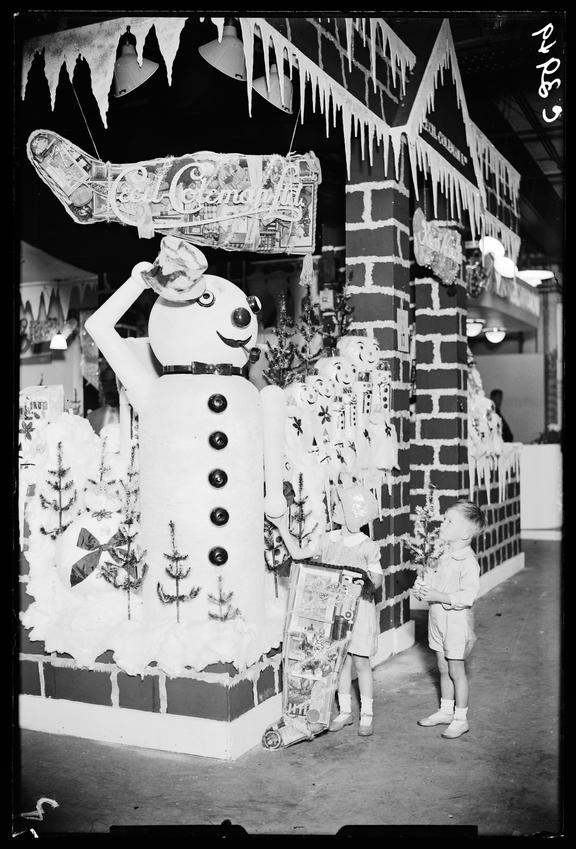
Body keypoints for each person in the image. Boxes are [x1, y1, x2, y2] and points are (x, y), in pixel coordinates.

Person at [269, 485, 383, 737]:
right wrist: (280, 526)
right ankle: (345, 711)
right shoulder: (327, 540)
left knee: (361, 662)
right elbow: (298, 554)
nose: (334, 508)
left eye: (340, 505)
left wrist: (362, 579)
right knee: (339, 662)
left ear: (354, 513)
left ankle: (367, 713)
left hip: (359, 611)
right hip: (333, 612)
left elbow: (377, 580)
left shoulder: (367, 546)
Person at [413, 500, 485, 740]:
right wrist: (423, 587)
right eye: (444, 519)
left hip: (455, 623)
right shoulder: (443, 554)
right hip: (437, 620)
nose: (443, 524)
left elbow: (468, 596)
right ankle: (445, 710)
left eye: (449, 521)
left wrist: (438, 596)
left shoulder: (468, 562)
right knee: (443, 667)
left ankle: (461, 718)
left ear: (465, 533)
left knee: (456, 670)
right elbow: (433, 579)